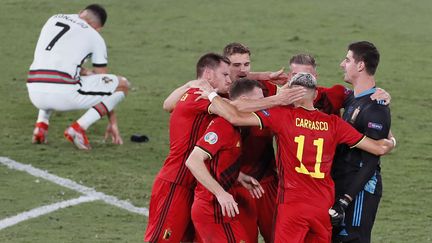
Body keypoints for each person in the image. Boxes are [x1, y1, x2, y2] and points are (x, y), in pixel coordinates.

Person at [196, 74, 394, 243]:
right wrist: (391, 138)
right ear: (315, 95)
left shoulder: (282, 116)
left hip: (292, 206)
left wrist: (212, 95)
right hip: (322, 208)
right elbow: (378, 148)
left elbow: (235, 116)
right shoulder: (334, 123)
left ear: (290, 94)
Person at [144, 53, 233, 243]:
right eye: (225, 75)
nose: (230, 79)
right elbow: (236, 112)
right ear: (208, 74)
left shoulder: (199, 92)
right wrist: (277, 100)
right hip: (176, 184)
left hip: (194, 185)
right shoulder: (200, 96)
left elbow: (168, 104)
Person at [27, 4, 129, 150]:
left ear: (81, 13)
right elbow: (104, 81)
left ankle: (41, 126)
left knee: (52, 70)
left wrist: (85, 72)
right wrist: (112, 121)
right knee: (122, 85)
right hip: (63, 95)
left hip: (33, 90)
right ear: (98, 28)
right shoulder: (95, 36)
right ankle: (78, 128)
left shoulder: (53, 19)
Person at [185, 79, 266, 243]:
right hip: (211, 209)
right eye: (260, 100)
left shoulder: (236, 126)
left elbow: (218, 161)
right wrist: (220, 193)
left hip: (221, 209)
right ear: (244, 101)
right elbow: (193, 161)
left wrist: (239, 176)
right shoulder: (223, 126)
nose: (263, 105)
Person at [330, 41, 392, 243]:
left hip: (359, 192)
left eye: (347, 60)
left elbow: (371, 162)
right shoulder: (353, 100)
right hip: (344, 185)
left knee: (352, 240)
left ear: (360, 65)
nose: (342, 64)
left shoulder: (376, 108)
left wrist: (345, 200)